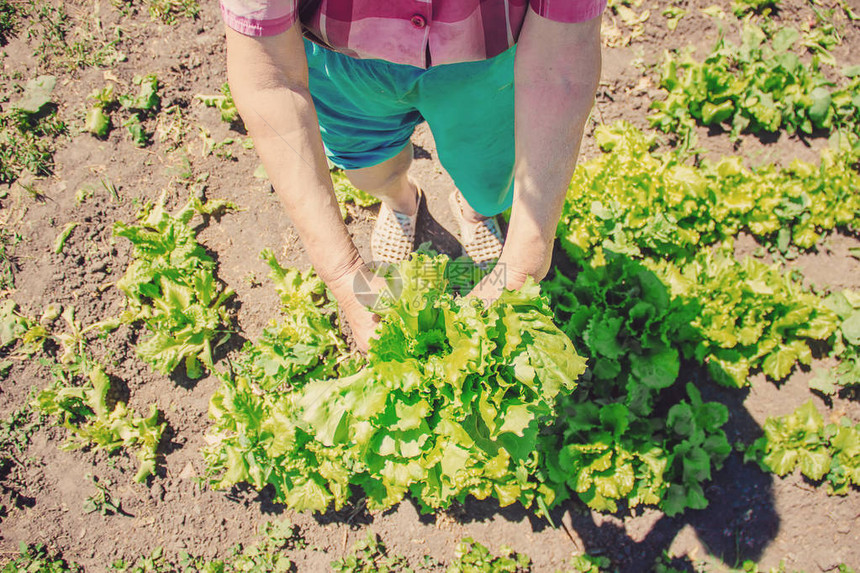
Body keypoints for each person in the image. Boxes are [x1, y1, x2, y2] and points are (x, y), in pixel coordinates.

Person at [220, 0, 604, 351]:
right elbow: (269, 76)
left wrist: (526, 258)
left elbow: (561, 65)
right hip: (343, 66)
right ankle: (402, 200)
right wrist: (342, 274)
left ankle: (477, 210)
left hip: (491, 61)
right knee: (372, 171)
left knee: (492, 179)